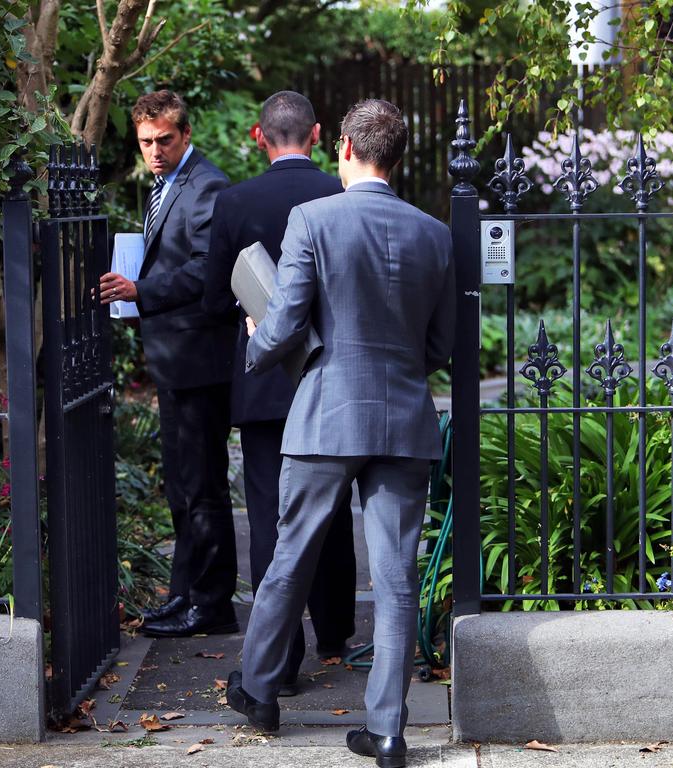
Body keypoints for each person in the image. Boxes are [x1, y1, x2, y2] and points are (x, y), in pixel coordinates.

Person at [225, 99, 455, 768]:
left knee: (289, 557)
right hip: (405, 418)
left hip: (326, 414)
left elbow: (288, 317)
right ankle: (387, 731)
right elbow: (440, 344)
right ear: (397, 156)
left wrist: (256, 341)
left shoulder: (313, 219)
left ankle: (261, 693)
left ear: (345, 149)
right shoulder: (434, 233)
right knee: (395, 577)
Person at [202, 91, 356, 693]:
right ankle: (337, 629)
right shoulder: (340, 194)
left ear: (256, 137)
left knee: (270, 514)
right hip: (332, 373)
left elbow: (215, 298)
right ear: (318, 135)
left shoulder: (235, 201)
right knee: (335, 503)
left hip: (266, 377)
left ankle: (281, 660)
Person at [98, 90, 237, 638]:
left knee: (202, 486)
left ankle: (211, 603)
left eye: (163, 141)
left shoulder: (207, 185)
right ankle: (186, 596)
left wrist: (141, 289)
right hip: (176, 359)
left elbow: (208, 269)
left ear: (184, 133)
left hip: (200, 361)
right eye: (145, 142)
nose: (154, 151)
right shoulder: (167, 183)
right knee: (182, 485)